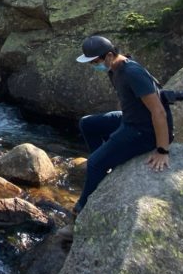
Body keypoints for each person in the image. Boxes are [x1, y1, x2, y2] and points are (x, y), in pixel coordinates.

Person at [73, 34, 173, 216]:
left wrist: (162, 150)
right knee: (87, 124)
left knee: (94, 164)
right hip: (130, 119)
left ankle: (81, 209)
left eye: (95, 62)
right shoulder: (114, 69)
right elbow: (126, 99)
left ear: (109, 55)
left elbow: (158, 111)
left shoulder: (132, 73)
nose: (93, 66)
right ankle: (105, 162)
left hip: (144, 131)